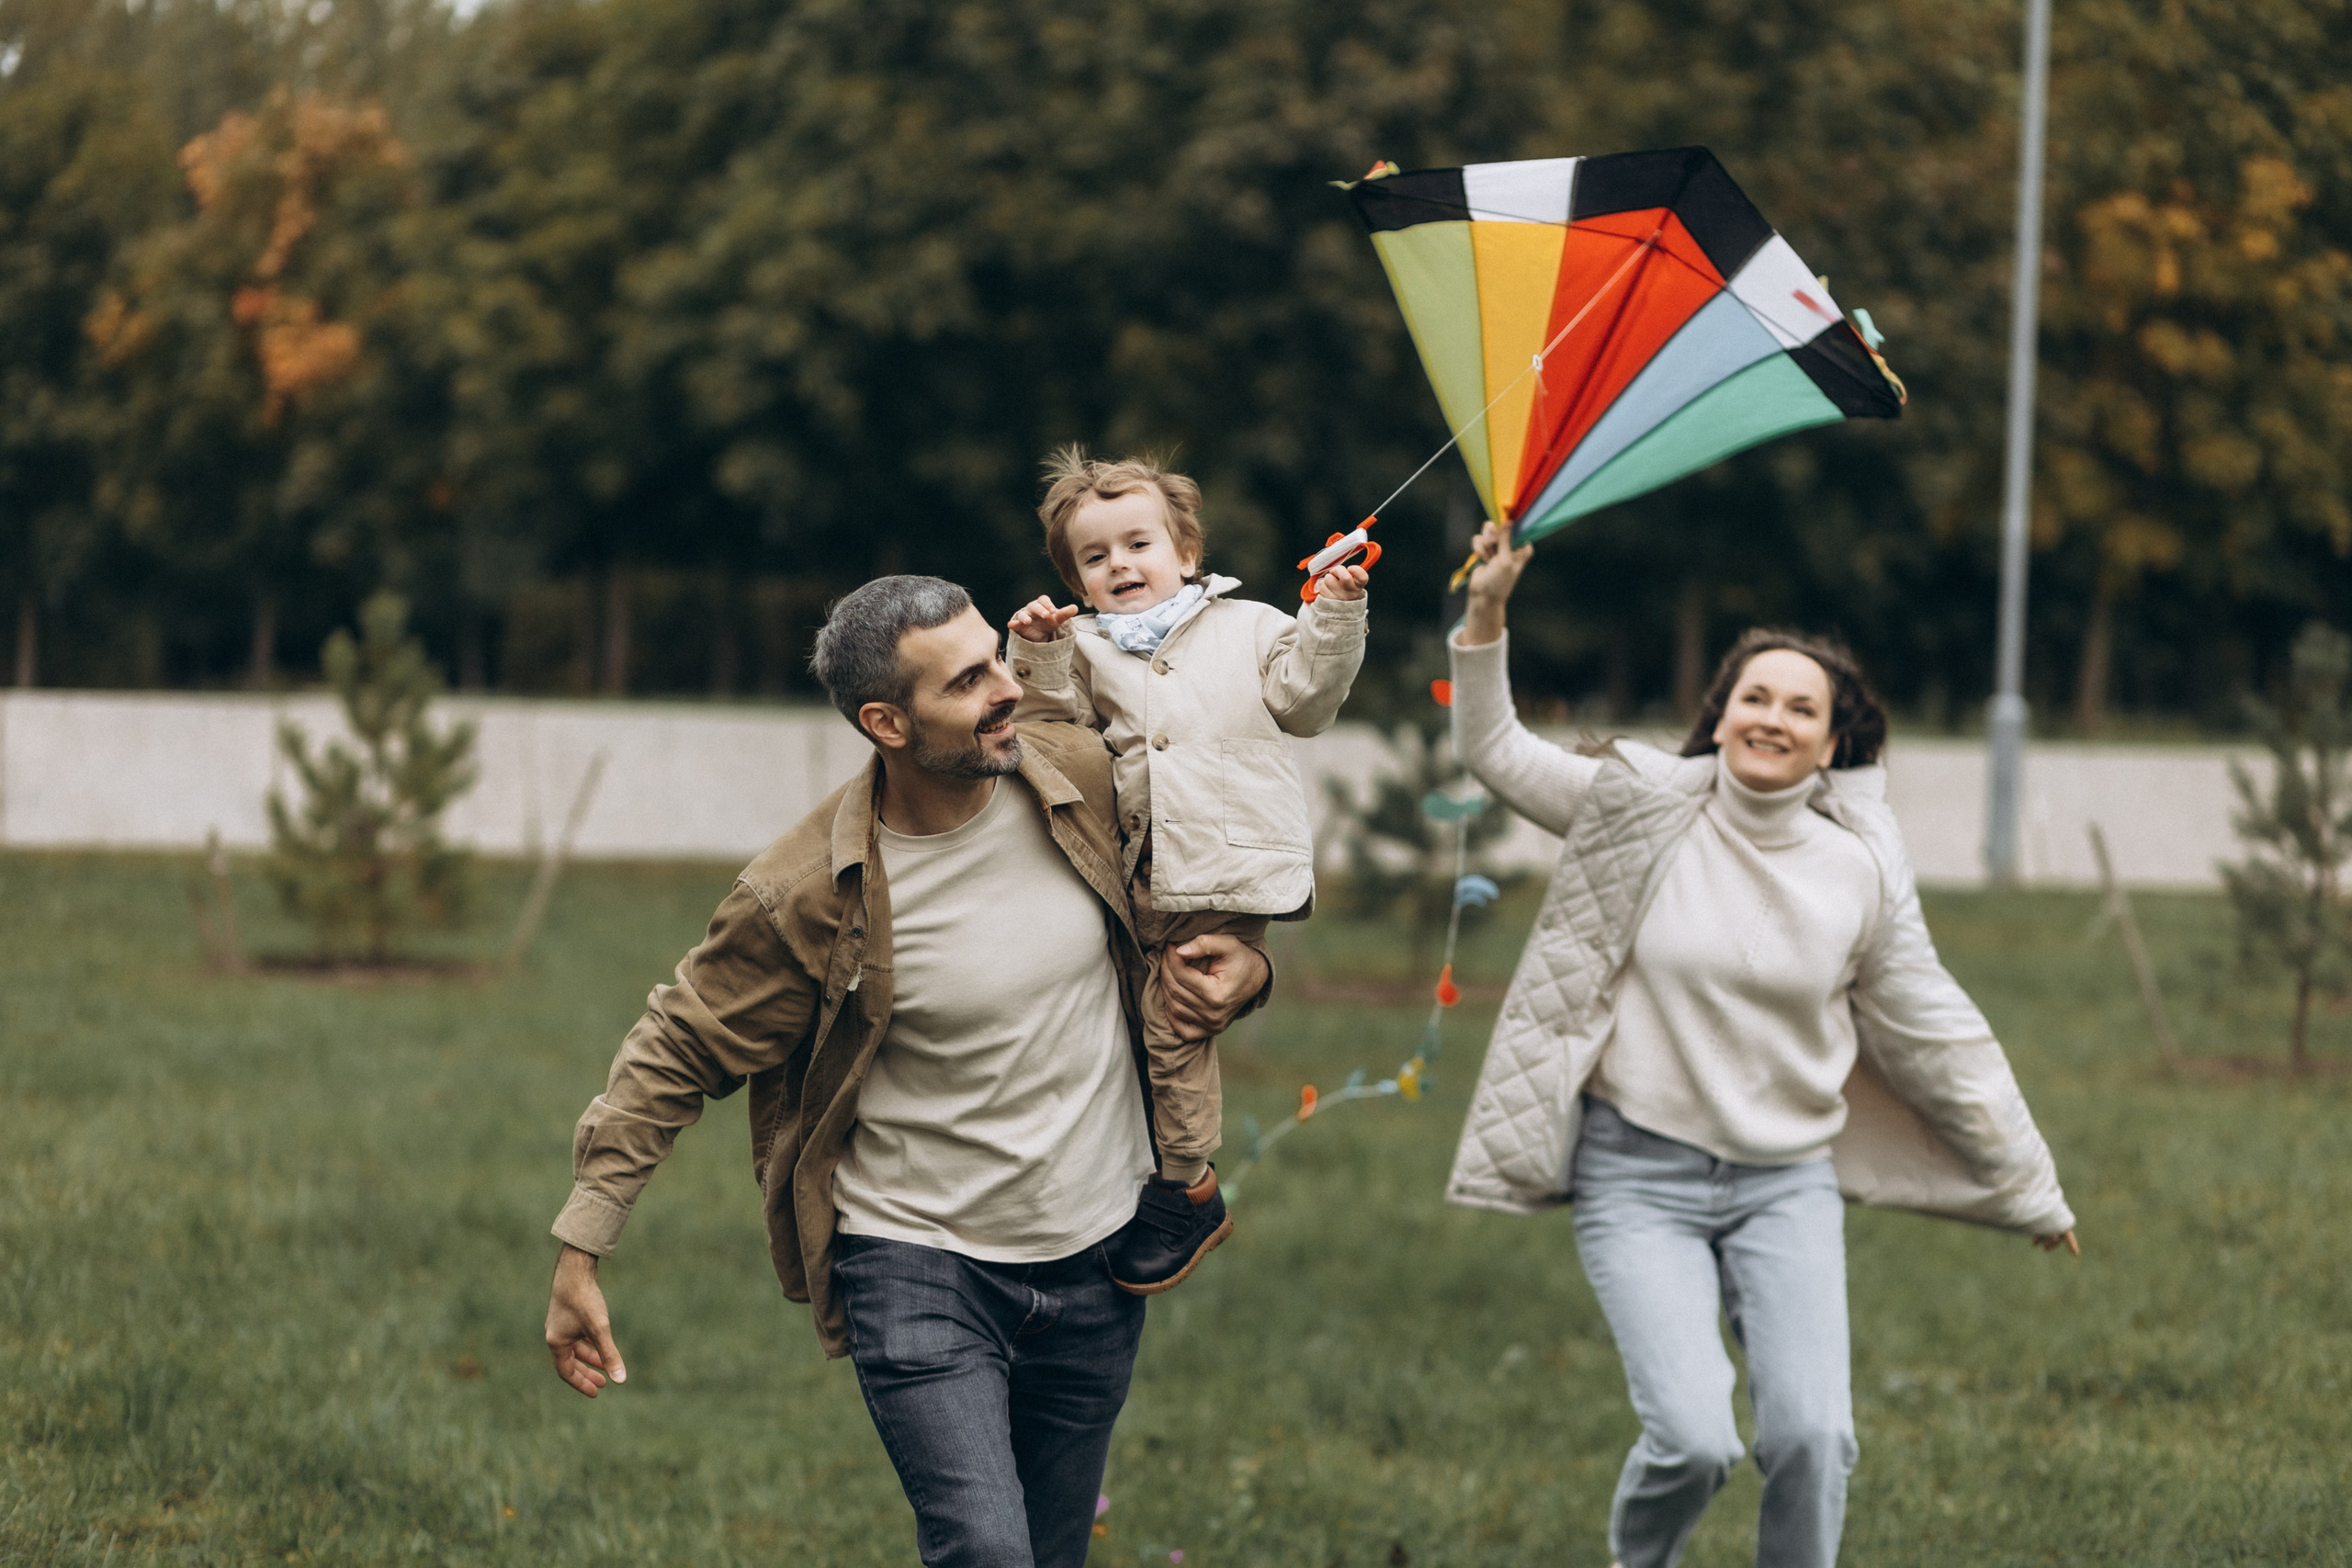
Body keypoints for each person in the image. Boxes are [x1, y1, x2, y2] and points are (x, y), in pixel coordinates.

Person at [540, 575, 1272, 1568]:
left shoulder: (1079, 779)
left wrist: (1251, 968)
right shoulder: (807, 891)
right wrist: (583, 1245)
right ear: (885, 722)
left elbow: (1204, 902)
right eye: (967, 682)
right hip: (918, 1264)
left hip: (1097, 1254)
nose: (1007, 688)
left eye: (996, 658)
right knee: (986, 1551)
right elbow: (677, 1046)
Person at [1442, 523, 2078, 1568]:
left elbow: (1935, 1031)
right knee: (1694, 1441)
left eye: (1800, 708)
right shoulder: (1640, 809)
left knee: (1813, 1439)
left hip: (1784, 1184)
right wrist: (1486, 610)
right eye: (1755, 697)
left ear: (1831, 743)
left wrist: (2030, 1187)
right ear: (1722, 715)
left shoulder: (1857, 871)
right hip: (1637, 1175)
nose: (1773, 718)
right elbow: (1494, 748)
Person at [1004, 448, 1368, 1293]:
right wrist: (1038, 651)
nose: (1120, 564)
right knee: (1123, 1023)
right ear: (1075, 581)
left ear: (1187, 553)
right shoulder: (1084, 648)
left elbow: (1307, 701)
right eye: (1095, 557)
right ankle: (1125, 1170)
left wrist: (1334, 614)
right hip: (1130, 873)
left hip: (1224, 865)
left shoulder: (1251, 627)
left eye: (1139, 544)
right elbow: (1053, 732)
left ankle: (1187, 1185)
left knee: (1175, 1019)